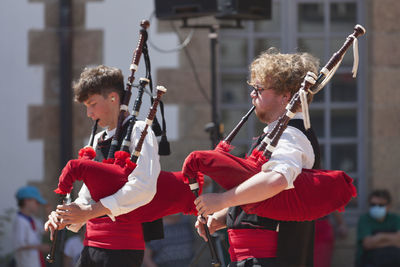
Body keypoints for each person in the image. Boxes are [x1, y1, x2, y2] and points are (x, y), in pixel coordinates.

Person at [195, 48, 321, 267]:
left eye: (259, 89)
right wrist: (224, 216)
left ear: (286, 96)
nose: (253, 94)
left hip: (270, 259)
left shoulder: (291, 134)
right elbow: (267, 200)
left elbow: (277, 180)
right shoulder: (277, 133)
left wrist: (223, 199)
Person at [44, 65, 161, 267]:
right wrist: (68, 215)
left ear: (113, 98)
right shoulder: (97, 140)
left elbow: (144, 186)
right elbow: (87, 196)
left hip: (122, 249)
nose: (89, 113)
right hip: (91, 246)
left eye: (92, 104)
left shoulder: (139, 131)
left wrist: (90, 212)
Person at [355, 189, 400, 267]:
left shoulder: (395, 219)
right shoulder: (364, 219)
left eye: (381, 205)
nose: (376, 207)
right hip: (369, 262)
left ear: (388, 206)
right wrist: (392, 241)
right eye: (373, 204)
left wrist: (380, 236)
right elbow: (367, 244)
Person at [13, 185, 50, 267]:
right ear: (27, 201)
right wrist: (40, 247)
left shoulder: (33, 219)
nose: (38, 205)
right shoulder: (20, 221)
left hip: (36, 263)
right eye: (37, 202)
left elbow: (46, 231)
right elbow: (20, 245)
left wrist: (48, 213)